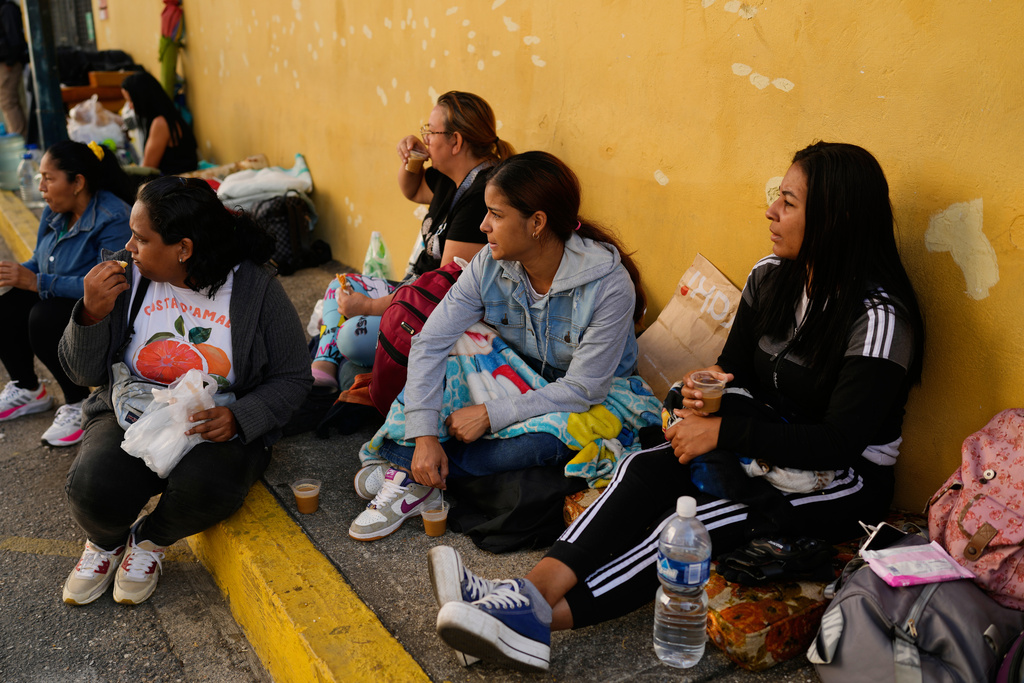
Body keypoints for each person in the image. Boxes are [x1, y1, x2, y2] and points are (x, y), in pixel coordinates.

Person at [425, 142, 925, 672]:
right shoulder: (772, 276)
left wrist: (721, 432)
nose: (771, 211)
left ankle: (530, 622)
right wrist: (701, 393)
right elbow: (734, 371)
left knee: (699, 521)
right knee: (644, 468)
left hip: (844, 478)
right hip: (764, 442)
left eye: (789, 202)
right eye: (777, 197)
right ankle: (522, 596)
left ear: (836, 217)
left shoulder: (877, 318)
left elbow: (840, 442)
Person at [348, 150, 647, 542]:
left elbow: (582, 388)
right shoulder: (487, 264)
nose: (483, 225)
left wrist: (489, 415)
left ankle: (409, 471)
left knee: (549, 439)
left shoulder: (608, 284)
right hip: (516, 377)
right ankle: (418, 464)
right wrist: (424, 437)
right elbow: (430, 342)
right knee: (458, 343)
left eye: (496, 214)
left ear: (537, 223)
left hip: (589, 399)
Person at [57, 176, 311, 606]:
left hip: (214, 421)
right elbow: (83, 372)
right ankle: (105, 543)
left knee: (210, 486)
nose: (129, 247)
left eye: (141, 238)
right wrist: (91, 314)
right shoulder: (124, 277)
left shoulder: (254, 288)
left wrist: (240, 417)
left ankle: (150, 541)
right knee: (93, 488)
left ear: (184, 248)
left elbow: (293, 376)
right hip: (132, 411)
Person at [310, 91, 515, 387]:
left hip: (433, 312)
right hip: (412, 291)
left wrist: (369, 308)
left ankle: (335, 367)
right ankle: (325, 367)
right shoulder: (452, 178)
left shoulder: (480, 195)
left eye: (431, 131)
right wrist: (413, 159)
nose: (425, 138)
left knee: (351, 337)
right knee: (339, 288)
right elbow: (412, 190)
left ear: (456, 141)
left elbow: (442, 292)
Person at [0, 140, 134, 446]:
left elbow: (112, 282)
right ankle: (28, 388)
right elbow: (39, 262)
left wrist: (38, 282)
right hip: (65, 299)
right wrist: (13, 274)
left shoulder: (113, 217)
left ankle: (78, 403)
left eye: (48, 178)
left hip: (106, 311)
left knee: (44, 317)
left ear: (78, 183)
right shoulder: (55, 213)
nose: (41, 187)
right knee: (7, 305)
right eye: (41, 178)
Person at [120, 71, 198, 175]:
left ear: (143, 99)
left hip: (178, 179)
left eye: (131, 101)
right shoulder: (168, 114)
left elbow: (147, 170)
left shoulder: (160, 123)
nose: (130, 107)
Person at [0, 0, 27, 137]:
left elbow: (15, 40)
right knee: (9, 102)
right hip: (7, 63)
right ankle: (18, 136)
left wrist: (10, 62)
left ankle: (18, 138)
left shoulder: (7, 9)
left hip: (9, 63)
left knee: (8, 102)